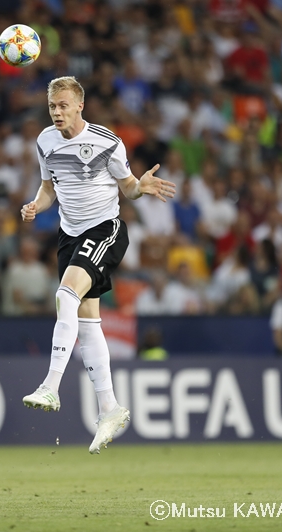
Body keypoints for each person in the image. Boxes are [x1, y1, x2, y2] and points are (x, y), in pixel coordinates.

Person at [20, 76, 175, 454]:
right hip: (69, 235)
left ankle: (51, 385)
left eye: (63, 105)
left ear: (80, 106)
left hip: (105, 229)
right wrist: (35, 205)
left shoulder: (107, 142)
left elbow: (128, 188)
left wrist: (142, 186)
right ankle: (110, 408)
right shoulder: (44, 141)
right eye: (52, 106)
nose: (57, 112)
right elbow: (48, 187)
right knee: (88, 321)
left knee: (66, 294)